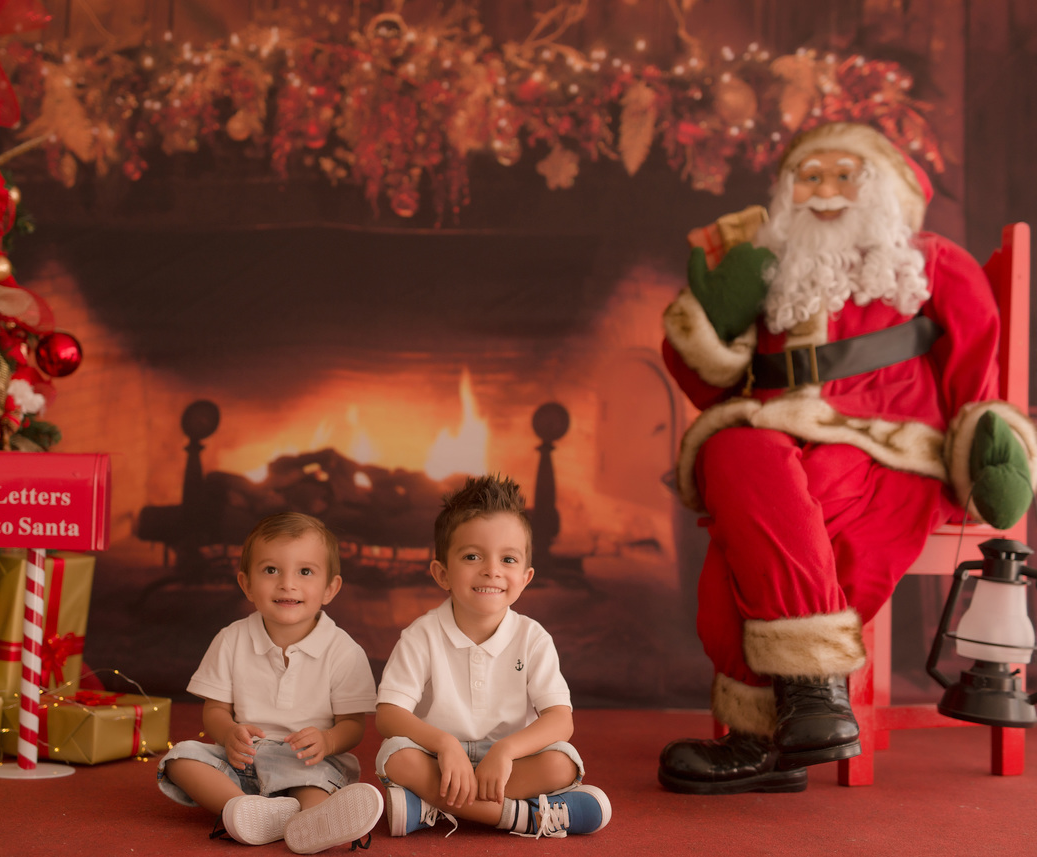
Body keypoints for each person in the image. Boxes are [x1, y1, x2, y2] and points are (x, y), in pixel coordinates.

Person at [657, 120, 1037, 795]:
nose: (826, 190)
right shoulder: (770, 264)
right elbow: (705, 384)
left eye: (844, 174)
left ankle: (762, 735)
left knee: (761, 530)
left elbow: (979, 377)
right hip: (775, 443)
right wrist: (711, 317)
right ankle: (813, 699)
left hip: (886, 450)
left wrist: (989, 446)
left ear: (884, 188)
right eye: (811, 176)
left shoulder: (932, 263)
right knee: (732, 445)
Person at [374, 474, 611, 838]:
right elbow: (389, 715)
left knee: (562, 763)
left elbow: (560, 720)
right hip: (439, 759)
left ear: (526, 577)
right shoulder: (421, 634)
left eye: (508, 559)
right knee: (395, 756)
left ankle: (429, 808)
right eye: (472, 556)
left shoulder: (532, 637)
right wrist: (445, 743)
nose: (492, 569)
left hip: (510, 763)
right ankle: (525, 817)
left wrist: (505, 751)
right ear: (442, 573)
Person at [156, 512, 383, 852]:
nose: (287, 584)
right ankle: (244, 808)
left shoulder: (344, 651)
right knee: (179, 759)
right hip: (242, 762)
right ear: (246, 584)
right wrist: (228, 734)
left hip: (305, 762)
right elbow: (216, 710)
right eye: (270, 570)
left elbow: (353, 725)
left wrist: (327, 740)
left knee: (315, 785)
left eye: (305, 572)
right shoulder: (231, 639)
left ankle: (311, 819)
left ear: (330, 588)